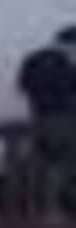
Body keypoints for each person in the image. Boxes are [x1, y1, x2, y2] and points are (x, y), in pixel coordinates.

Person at [23, 26, 76, 211]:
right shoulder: (63, 63)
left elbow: (24, 85)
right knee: (67, 163)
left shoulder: (33, 59)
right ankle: (64, 206)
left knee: (41, 164)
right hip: (63, 121)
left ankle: (39, 207)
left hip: (40, 118)